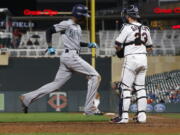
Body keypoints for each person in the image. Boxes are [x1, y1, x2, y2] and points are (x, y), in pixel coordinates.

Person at [19, 4, 101, 115]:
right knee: (95, 76)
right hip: (71, 56)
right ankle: (89, 108)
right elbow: (49, 31)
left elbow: (75, 43)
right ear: (78, 15)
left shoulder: (77, 27)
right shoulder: (66, 24)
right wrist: (49, 46)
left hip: (70, 56)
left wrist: (88, 44)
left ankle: (27, 98)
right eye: (83, 15)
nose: (85, 18)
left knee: (56, 85)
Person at [110, 5, 153, 124]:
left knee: (125, 87)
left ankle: (124, 117)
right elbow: (150, 48)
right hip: (143, 59)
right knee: (141, 88)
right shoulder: (146, 28)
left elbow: (117, 44)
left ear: (128, 16)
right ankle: (142, 116)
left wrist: (120, 51)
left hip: (131, 59)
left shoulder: (126, 27)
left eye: (126, 15)